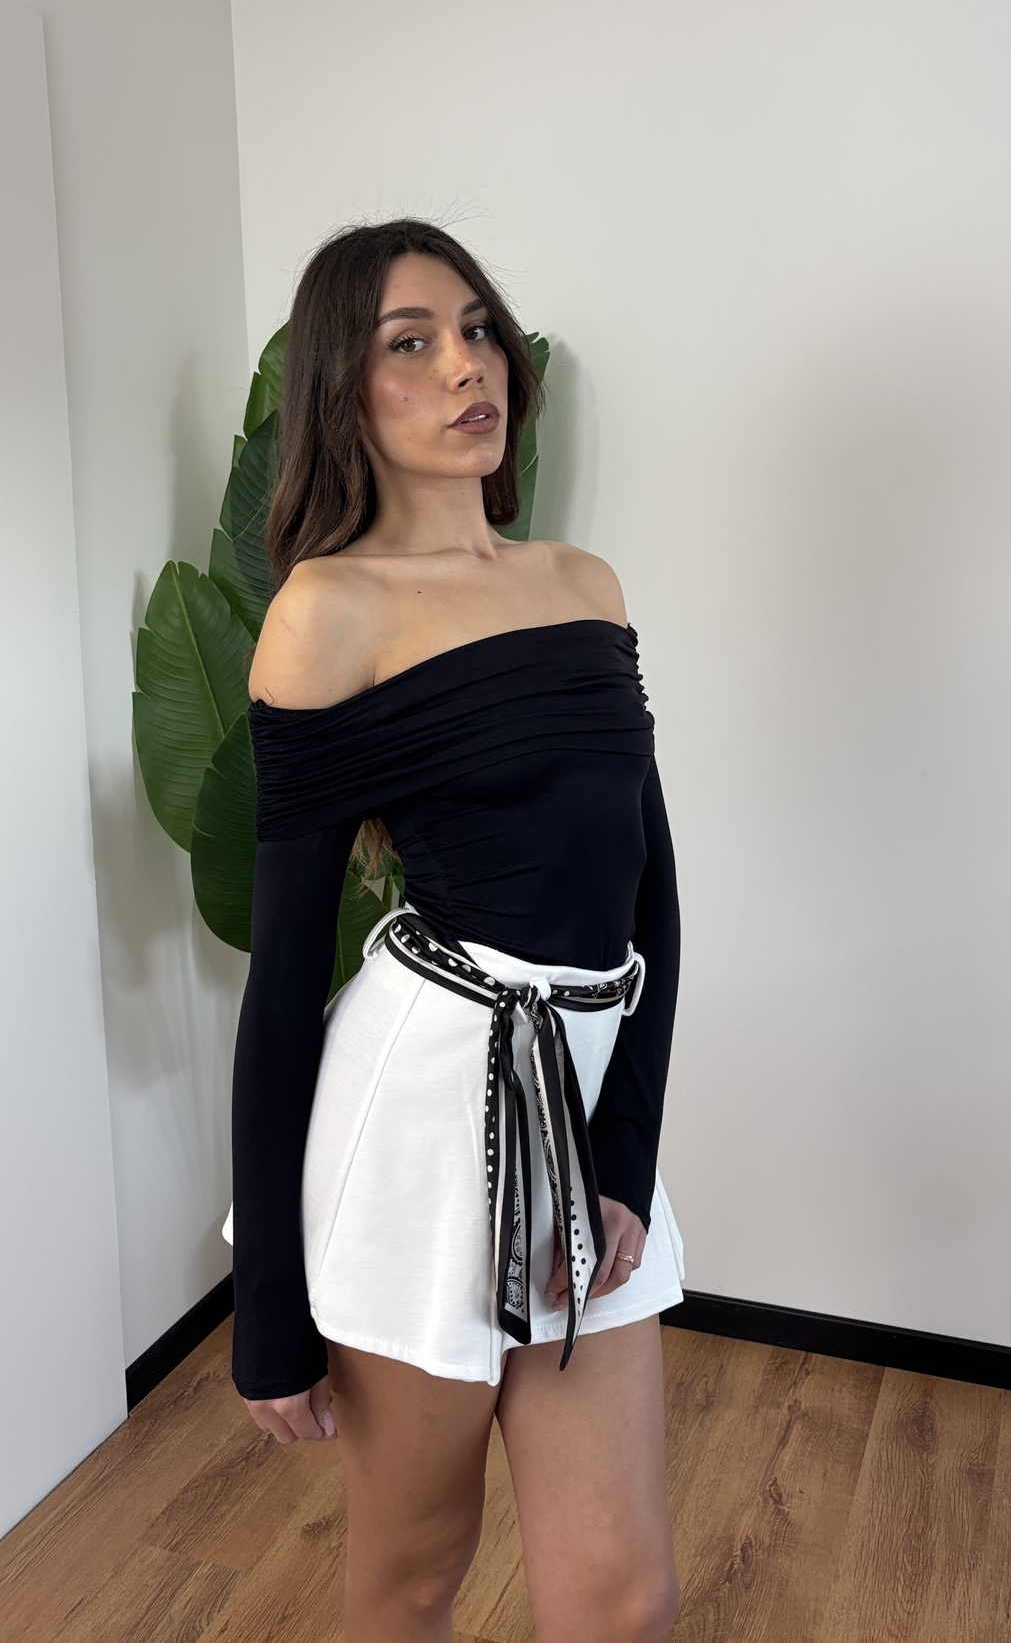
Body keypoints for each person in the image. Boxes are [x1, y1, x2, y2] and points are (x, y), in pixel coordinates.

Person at [226, 217, 687, 1643]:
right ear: (342, 391)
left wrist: (626, 1155)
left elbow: (652, 899)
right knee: (414, 1577)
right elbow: (282, 980)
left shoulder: (582, 584)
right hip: (426, 1120)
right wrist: (267, 1308)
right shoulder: (328, 614)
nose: (464, 367)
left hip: (581, 1118)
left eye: (477, 329)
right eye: (409, 344)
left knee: (625, 1597)